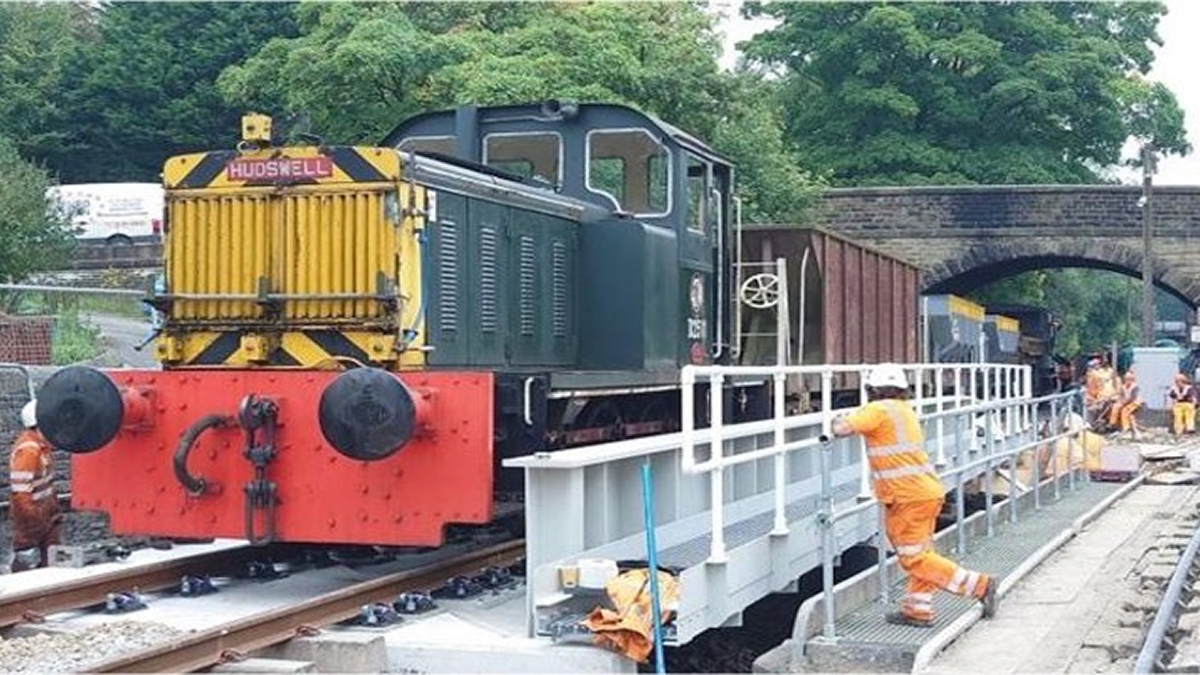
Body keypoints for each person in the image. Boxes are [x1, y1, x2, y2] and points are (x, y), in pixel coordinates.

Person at [830, 364, 998, 627]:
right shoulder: (905, 411)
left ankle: (980, 586)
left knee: (914, 558)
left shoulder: (877, 410)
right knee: (922, 552)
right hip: (924, 491)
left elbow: (842, 429)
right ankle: (918, 610)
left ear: (872, 389)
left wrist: (835, 420)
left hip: (905, 497)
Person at [10, 400, 61, 572]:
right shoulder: (29, 451)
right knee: (28, 565)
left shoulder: (41, 447)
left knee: (51, 563)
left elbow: (46, 484)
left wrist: (53, 511)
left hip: (46, 514)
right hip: (31, 518)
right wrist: (34, 521)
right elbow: (21, 494)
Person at [1109, 371, 1142, 440]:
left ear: (1133, 379)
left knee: (1125, 411)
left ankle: (1126, 428)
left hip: (1134, 402)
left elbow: (1132, 398)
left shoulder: (1135, 387)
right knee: (1115, 407)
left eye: (1130, 379)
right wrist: (1117, 399)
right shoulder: (1123, 387)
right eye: (1126, 378)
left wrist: (1123, 403)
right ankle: (1113, 424)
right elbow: (1121, 396)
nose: (1128, 380)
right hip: (1126, 402)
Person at [1169, 373, 1197, 438]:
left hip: (1188, 404)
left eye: (1179, 381)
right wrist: (1175, 399)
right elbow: (1172, 395)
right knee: (1178, 417)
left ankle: (1190, 429)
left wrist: (1193, 401)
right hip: (1178, 405)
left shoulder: (1189, 388)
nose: (1177, 383)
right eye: (1176, 381)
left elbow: (1192, 396)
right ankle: (1179, 431)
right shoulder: (1174, 388)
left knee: (1189, 416)